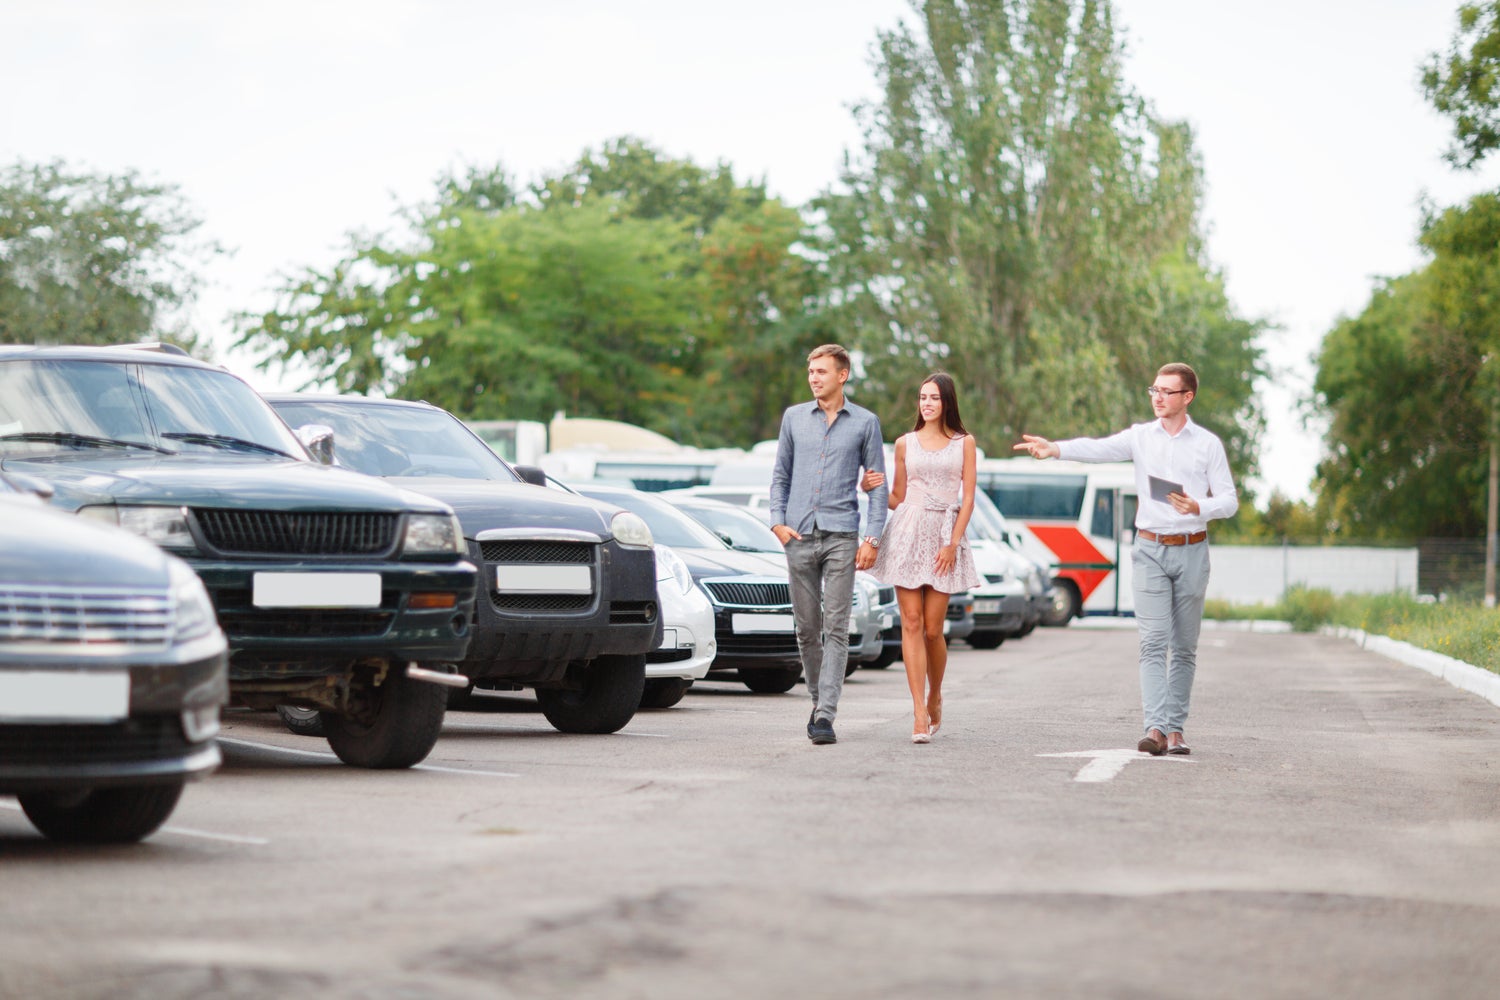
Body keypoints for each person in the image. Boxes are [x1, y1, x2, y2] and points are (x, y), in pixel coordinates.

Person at [1014, 363, 1237, 756]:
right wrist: (1056, 449)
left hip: (1192, 550)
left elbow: (1230, 501)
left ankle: (1176, 730)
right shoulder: (1140, 437)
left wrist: (1198, 505)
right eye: (1154, 389)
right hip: (1149, 549)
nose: (1157, 397)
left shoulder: (1207, 445)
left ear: (1187, 397)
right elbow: (1098, 448)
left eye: (1167, 392)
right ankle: (1155, 729)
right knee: (1153, 642)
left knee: (1184, 646)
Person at [770, 344, 888, 746]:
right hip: (798, 536)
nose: (814, 378)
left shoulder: (866, 423)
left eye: (822, 371)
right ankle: (818, 700)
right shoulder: (793, 418)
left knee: (836, 628)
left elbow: (877, 487)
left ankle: (825, 715)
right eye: (811, 372)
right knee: (806, 629)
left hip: (842, 537)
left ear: (843, 374)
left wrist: (872, 538)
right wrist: (777, 524)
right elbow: (780, 477)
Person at [866, 372, 981, 744]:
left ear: (946, 401)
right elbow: (898, 495)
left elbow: (968, 500)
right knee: (911, 622)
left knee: (933, 628)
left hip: (945, 536)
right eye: (922, 398)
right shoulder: (904, 444)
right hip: (907, 530)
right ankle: (917, 711)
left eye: (933, 398)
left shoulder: (964, 443)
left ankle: (935, 694)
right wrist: (874, 488)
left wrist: (953, 543)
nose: (926, 404)